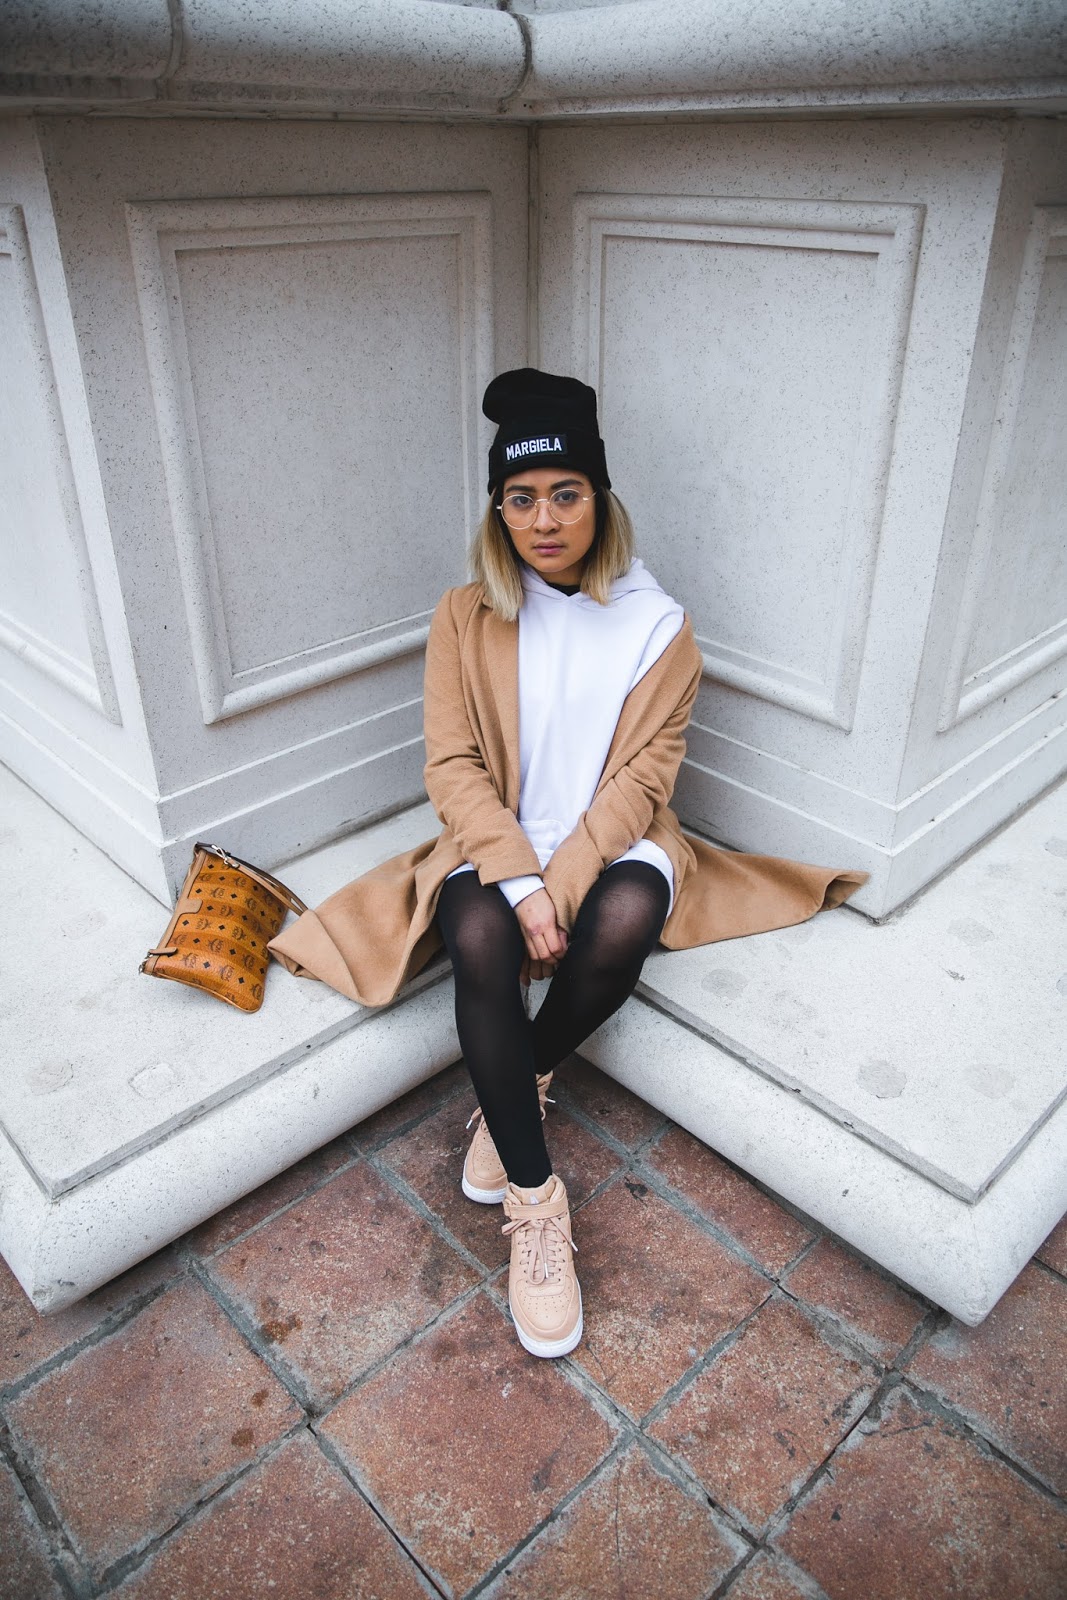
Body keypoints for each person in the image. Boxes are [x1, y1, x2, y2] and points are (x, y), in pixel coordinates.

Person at [269, 367, 866, 1361]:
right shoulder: (464, 614)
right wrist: (516, 882)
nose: (542, 520)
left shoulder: (659, 626)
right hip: (497, 833)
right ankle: (535, 1204)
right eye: (519, 498)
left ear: (599, 497)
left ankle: (523, 1074)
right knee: (476, 936)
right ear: (497, 509)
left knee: (622, 919)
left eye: (564, 493)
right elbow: (451, 765)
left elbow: (644, 777)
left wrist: (563, 884)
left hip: (612, 835)